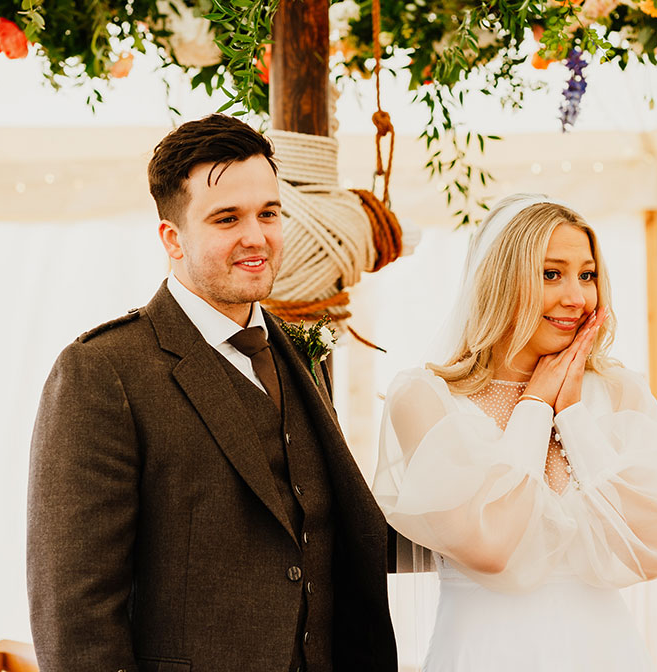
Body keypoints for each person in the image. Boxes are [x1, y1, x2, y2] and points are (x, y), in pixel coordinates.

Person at [27, 114, 397, 672]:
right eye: (227, 218)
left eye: (268, 213)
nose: (257, 236)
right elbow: (74, 611)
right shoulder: (102, 371)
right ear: (172, 238)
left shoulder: (303, 355)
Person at [372, 194, 657, 671]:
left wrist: (572, 415)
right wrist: (535, 406)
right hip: (482, 656)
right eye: (551, 274)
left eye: (587, 274)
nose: (576, 297)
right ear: (499, 280)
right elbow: (492, 549)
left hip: (608, 655)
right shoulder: (426, 398)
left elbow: (654, 544)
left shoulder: (617, 392)